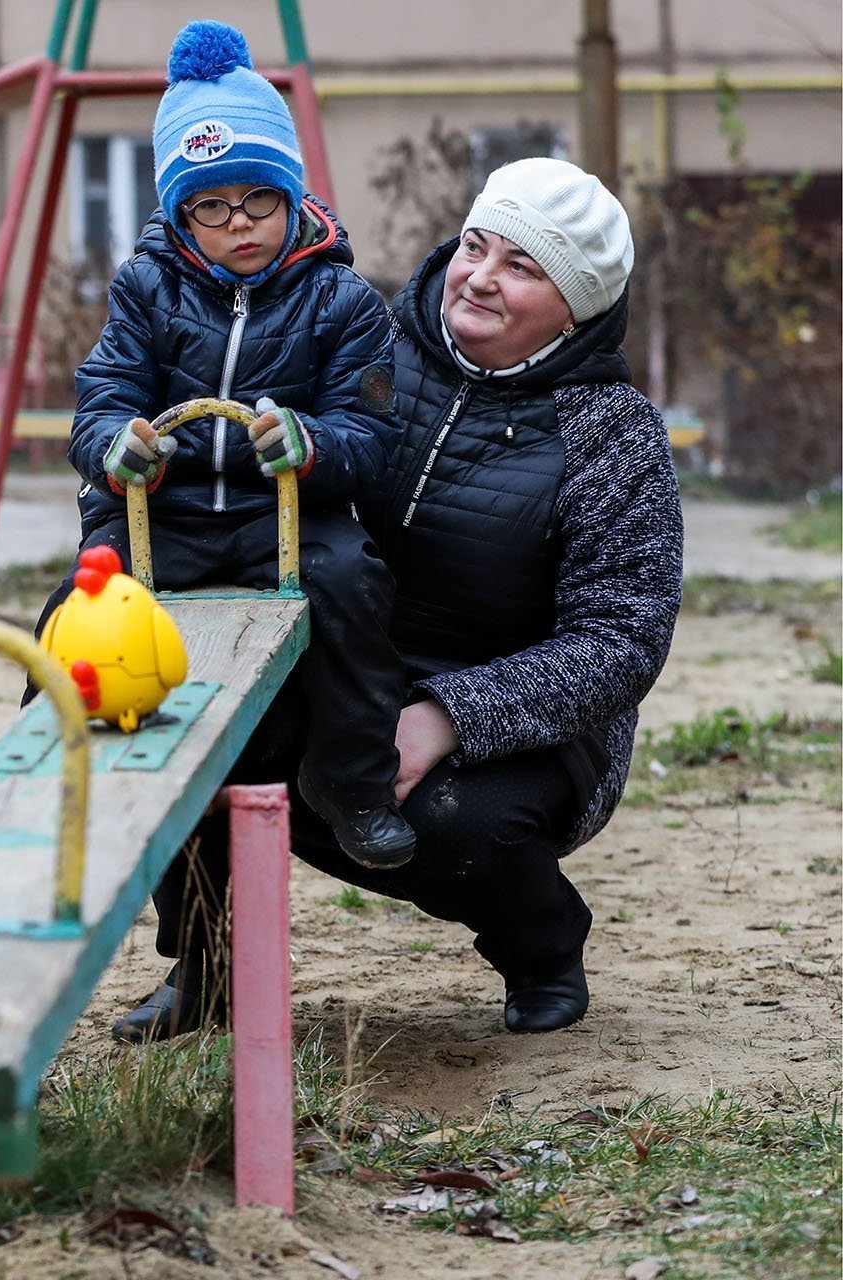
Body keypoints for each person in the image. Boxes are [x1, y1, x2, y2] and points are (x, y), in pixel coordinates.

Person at [115, 155, 685, 1041]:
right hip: (343, 662)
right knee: (197, 729)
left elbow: (622, 642)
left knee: (455, 824)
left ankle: (541, 941)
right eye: (477, 247)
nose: (482, 279)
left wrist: (445, 716)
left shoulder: (613, 434)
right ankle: (208, 962)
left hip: (512, 720)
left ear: (579, 306)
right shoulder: (363, 340)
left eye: (523, 268)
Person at [44, 19, 417, 870]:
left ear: (293, 197)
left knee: (352, 580)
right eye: (211, 206)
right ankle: (58, 770)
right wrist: (115, 444)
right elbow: (102, 398)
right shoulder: (145, 287)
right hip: (165, 517)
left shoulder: (342, 300)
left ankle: (352, 778)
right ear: (180, 216)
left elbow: (372, 436)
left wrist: (309, 443)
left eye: (260, 199)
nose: (238, 223)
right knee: (78, 606)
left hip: (278, 516)